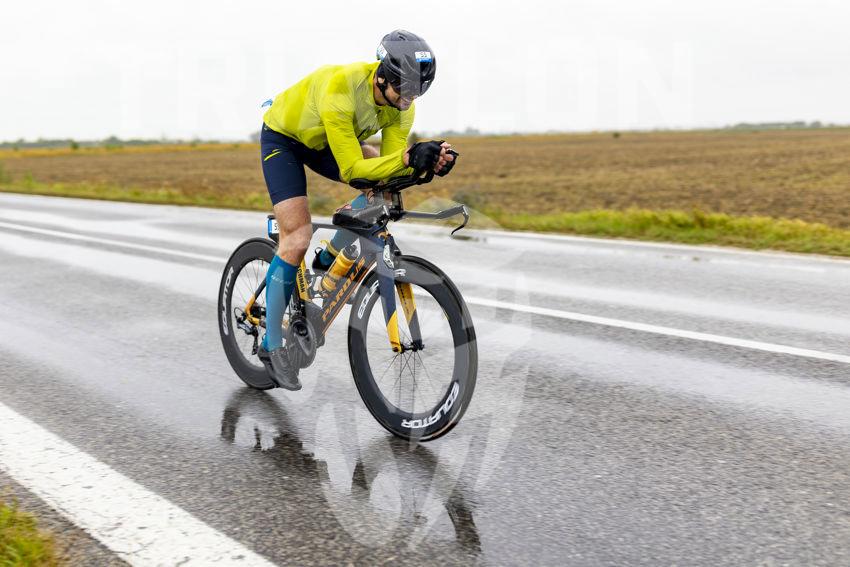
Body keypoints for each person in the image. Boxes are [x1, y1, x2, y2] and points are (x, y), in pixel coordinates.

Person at [257, 30, 456, 391]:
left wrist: (426, 165)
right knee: (297, 237)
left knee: (382, 189)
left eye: (418, 92)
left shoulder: (402, 106)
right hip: (285, 140)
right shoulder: (342, 88)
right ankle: (271, 347)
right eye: (405, 90)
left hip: (327, 143)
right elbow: (351, 170)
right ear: (382, 76)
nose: (410, 100)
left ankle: (327, 261)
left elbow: (390, 168)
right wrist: (409, 158)